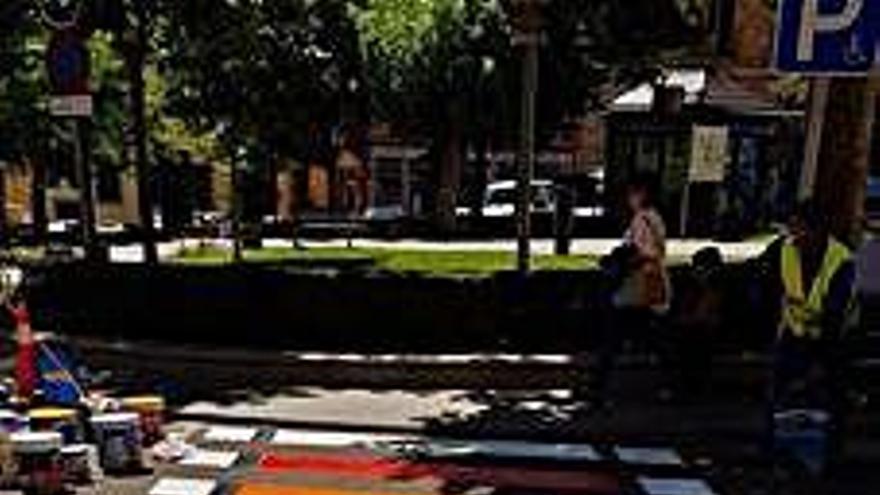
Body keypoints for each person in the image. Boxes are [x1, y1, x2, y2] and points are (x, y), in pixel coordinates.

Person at [758, 199, 856, 475]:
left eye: (801, 229)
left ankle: (828, 458)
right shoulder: (784, 249)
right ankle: (774, 451)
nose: (795, 236)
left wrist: (818, 363)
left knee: (830, 398)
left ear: (819, 231)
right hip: (795, 333)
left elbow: (834, 316)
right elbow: (764, 282)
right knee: (777, 394)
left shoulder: (841, 261)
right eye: (792, 228)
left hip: (832, 339)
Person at [589, 175, 671, 406]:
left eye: (632, 194)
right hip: (647, 286)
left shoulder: (642, 219)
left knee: (614, 333)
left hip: (638, 286)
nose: (629, 199)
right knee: (648, 335)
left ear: (642, 194)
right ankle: (665, 386)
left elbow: (647, 253)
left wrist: (619, 262)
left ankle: (601, 387)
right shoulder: (653, 217)